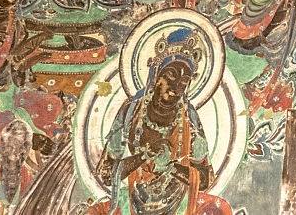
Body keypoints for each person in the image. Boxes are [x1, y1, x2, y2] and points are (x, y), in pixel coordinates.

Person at [89, 28, 231, 215]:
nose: (175, 88)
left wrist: (171, 167)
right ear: (155, 75)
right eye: (170, 76)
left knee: (219, 209)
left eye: (184, 82)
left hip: (181, 202)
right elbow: (106, 174)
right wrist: (144, 158)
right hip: (134, 200)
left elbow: (205, 179)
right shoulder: (131, 112)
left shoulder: (188, 117)